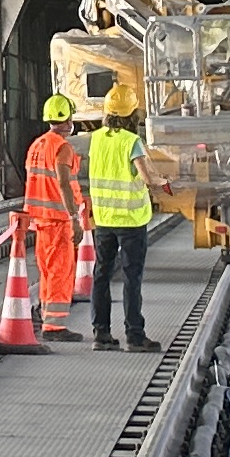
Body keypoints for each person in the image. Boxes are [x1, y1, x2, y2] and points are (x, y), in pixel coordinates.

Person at [84, 89, 155, 350]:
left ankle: (101, 334)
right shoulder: (131, 141)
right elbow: (147, 177)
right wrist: (164, 181)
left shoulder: (96, 139)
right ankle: (135, 335)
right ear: (132, 114)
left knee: (101, 274)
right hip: (131, 220)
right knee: (131, 277)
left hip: (104, 219)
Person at [20, 93, 87, 341]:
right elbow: (63, 183)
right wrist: (74, 217)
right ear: (68, 119)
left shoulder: (37, 145)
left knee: (48, 271)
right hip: (58, 219)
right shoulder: (62, 147)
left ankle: (48, 317)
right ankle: (54, 327)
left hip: (41, 220)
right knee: (60, 271)